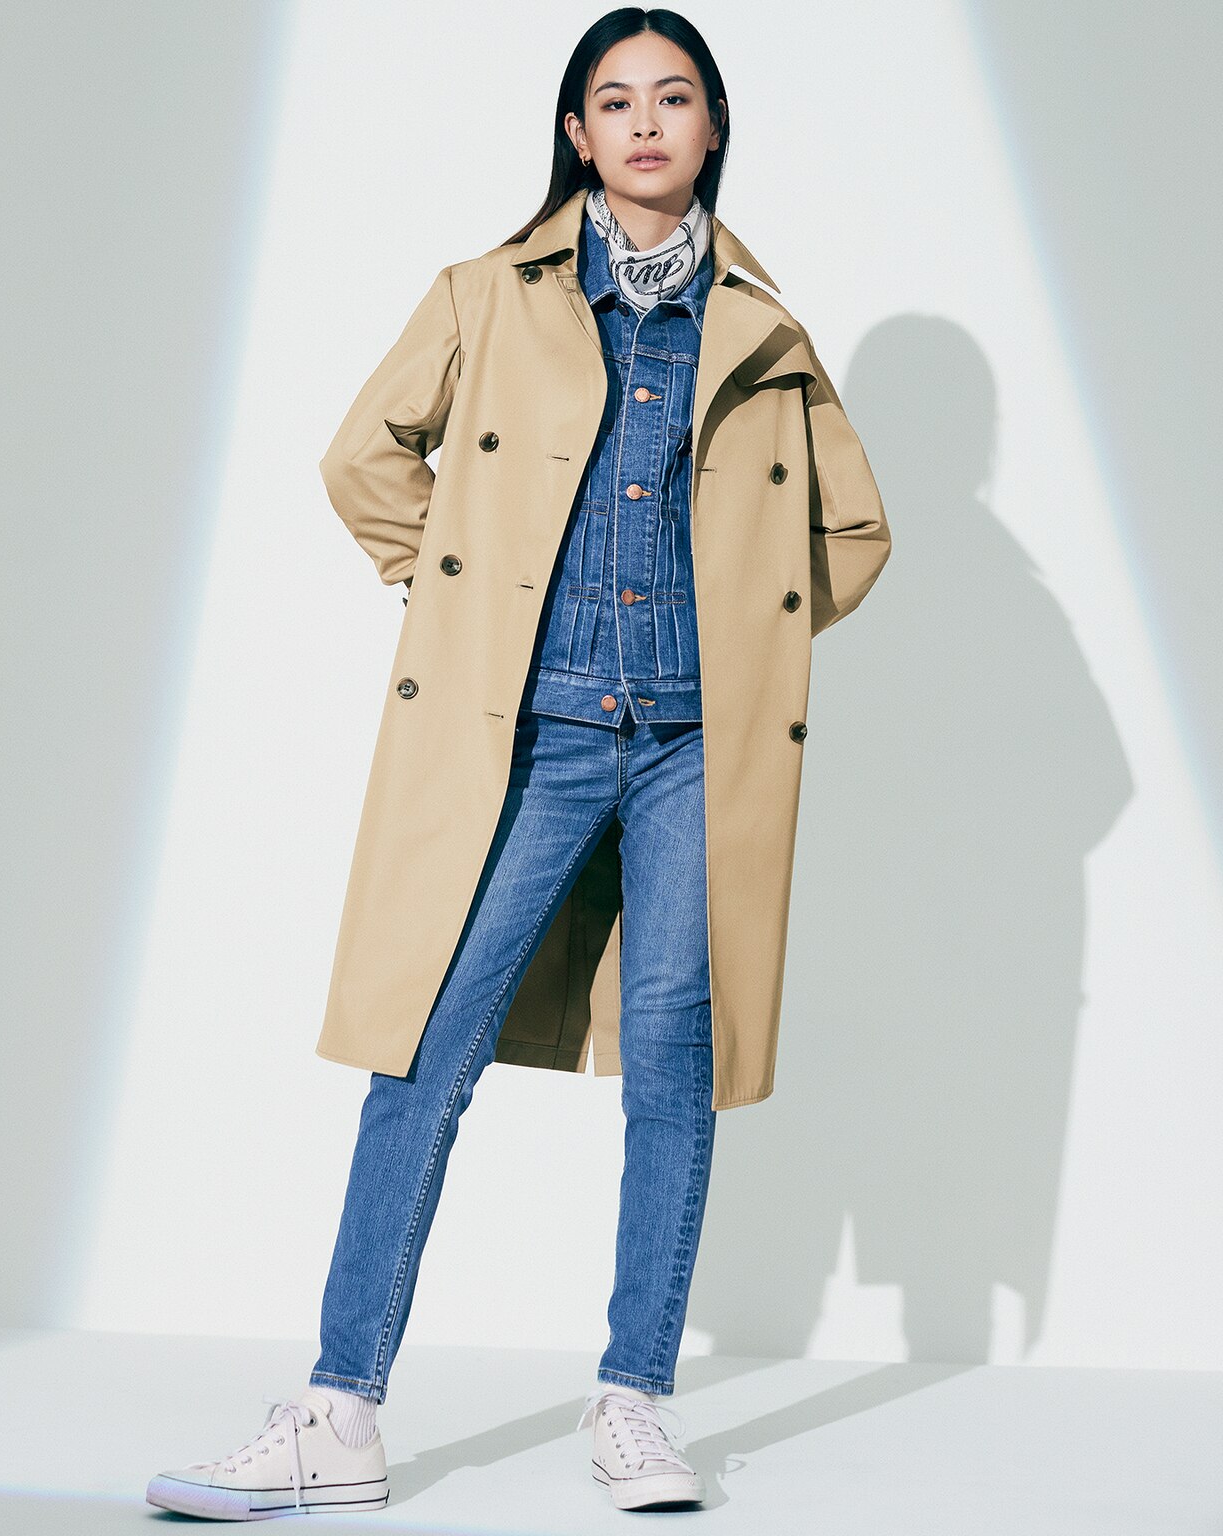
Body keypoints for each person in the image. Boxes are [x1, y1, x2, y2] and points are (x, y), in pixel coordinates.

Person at [147, 5, 890, 1521]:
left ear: (713, 125)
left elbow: (854, 532)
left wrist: (754, 640)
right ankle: (339, 1410)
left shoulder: (764, 328)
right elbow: (364, 457)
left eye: (673, 98)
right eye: (615, 101)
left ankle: (635, 1403)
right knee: (426, 1045)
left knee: (673, 1067)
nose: (645, 124)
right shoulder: (488, 295)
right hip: (531, 734)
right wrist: (461, 595)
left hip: (692, 749)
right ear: (575, 132)